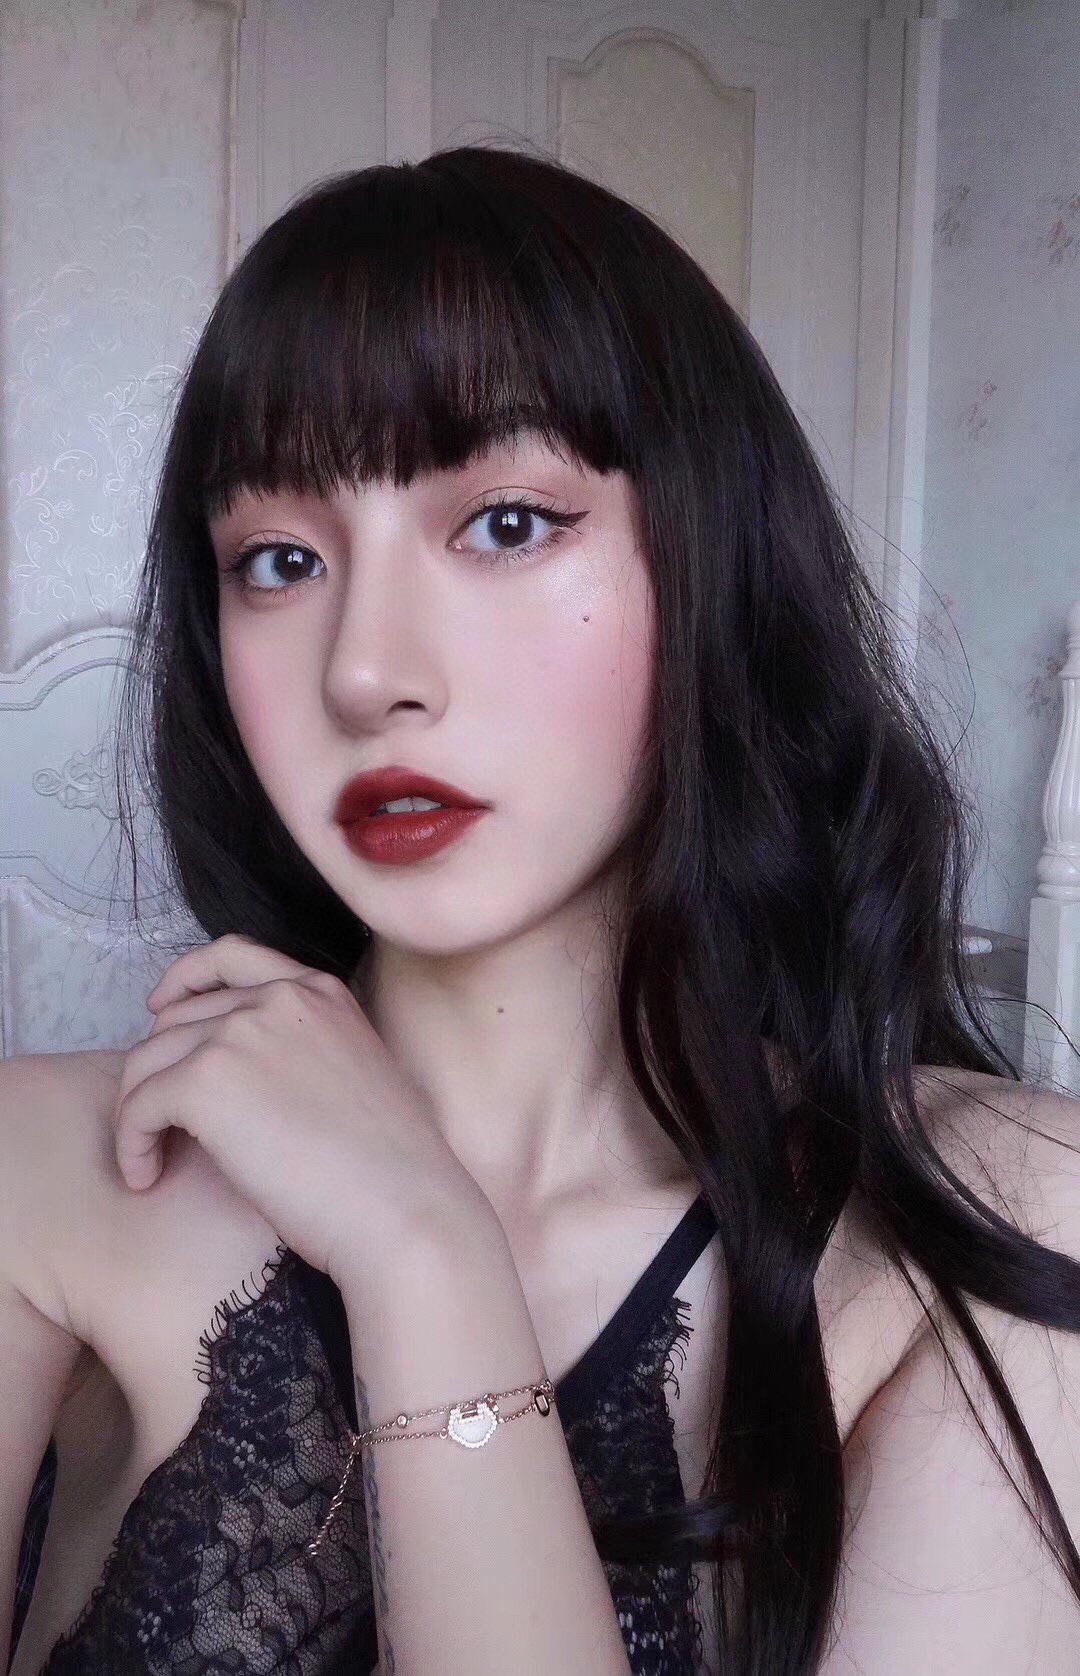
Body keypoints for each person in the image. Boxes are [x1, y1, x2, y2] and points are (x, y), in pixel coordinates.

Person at [2, 141, 1079, 1676]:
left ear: (713, 559)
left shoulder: (1004, 1219)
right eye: (281, 559)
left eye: (505, 525)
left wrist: (422, 1255)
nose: (366, 671)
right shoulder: (42, 1173)